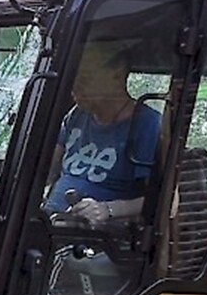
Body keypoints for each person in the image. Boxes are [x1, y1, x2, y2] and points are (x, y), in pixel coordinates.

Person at [45, 41, 161, 224]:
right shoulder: (77, 114)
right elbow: (46, 170)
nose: (74, 85)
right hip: (51, 226)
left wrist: (107, 209)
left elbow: (167, 203)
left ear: (117, 74)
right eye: (73, 77)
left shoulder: (148, 125)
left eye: (85, 77)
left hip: (101, 242)